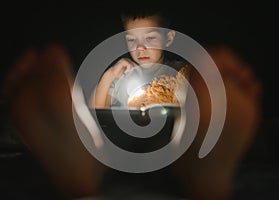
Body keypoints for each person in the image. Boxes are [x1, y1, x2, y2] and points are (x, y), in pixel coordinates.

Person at [1, 8, 262, 200]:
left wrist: (191, 97)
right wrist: (107, 79)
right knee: (102, 131)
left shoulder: (182, 73)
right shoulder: (123, 72)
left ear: (168, 39)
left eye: (150, 39)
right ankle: (206, 182)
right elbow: (94, 110)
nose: (140, 48)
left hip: (170, 131)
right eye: (131, 40)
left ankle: (200, 155)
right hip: (118, 132)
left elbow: (186, 98)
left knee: (180, 126)